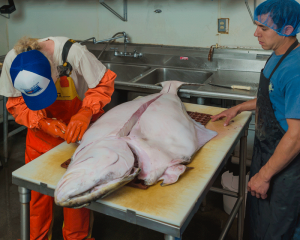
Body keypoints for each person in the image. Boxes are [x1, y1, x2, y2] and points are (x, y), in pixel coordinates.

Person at [0, 36, 116, 240]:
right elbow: (16, 102)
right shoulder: (12, 60)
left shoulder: (74, 54)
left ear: (54, 69)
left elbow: (104, 82)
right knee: (36, 197)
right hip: (39, 137)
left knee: (75, 194)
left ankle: (77, 237)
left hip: (79, 135)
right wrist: (42, 123)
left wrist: (86, 111)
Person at [211, 0, 300, 239]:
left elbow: (297, 135)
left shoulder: (296, 70)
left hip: (288, 167)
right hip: (267, 154)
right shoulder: (278, 55)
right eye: (256, 25)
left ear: (288, 31)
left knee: (279, 229)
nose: (255, 33)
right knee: (259, 223)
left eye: (263, 28)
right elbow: (271, 97)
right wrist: (238, 108)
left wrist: (264, 175)